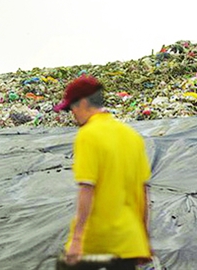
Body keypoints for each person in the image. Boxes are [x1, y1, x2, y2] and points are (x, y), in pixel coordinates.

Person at [53, 75, 152, 269]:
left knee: (64, 265)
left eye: (71, 107)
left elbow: (87, 188)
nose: (72, 113)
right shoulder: (131, 136)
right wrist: (143, 239)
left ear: (82, 103)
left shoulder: (88, 135)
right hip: (130, 242)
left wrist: (77, 239)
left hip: (99, 242)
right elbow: (143, 192)